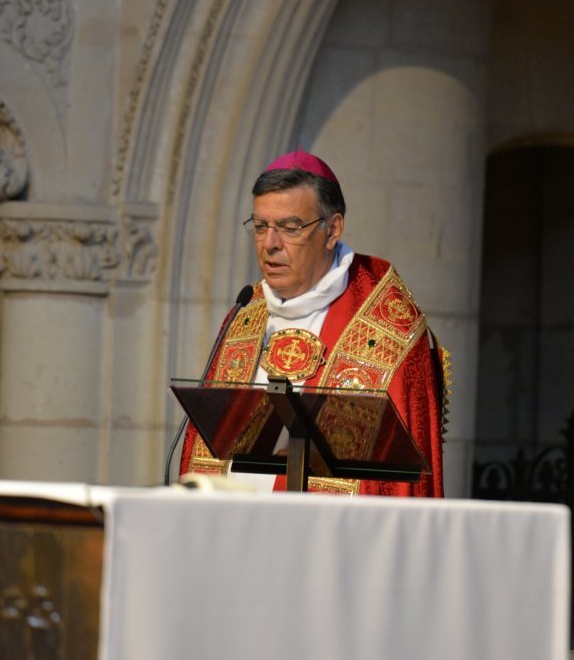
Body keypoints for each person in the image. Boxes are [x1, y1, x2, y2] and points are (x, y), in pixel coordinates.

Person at [179, 149, 449, 497]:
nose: (270, 245)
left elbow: (395, 485)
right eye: (260, 227)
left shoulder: (388, 325)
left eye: (290, 227)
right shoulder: (245, 314)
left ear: (332, 229)